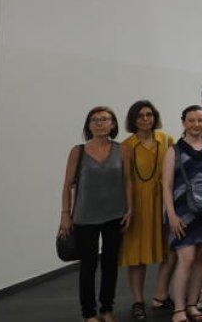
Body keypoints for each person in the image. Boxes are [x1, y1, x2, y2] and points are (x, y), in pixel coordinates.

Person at [61, 107, 133, 322]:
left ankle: (107, 309)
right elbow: (67, 185)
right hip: (84, 217)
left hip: (115, 215)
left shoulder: (122, 150)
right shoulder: (78, 151)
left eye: (105, 119)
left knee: (110, 264)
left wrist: (131, 209)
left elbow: (127, 181)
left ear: (113, 124)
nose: (100, 123)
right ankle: (89, 313)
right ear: (88, 125)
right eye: (95, 120)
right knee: (88, 266)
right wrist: (65, 215)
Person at [163, 105, 202, 322]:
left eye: (200, 120)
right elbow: (167, 185)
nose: (197, 124)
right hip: (182, 211)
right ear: (183, 123)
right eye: (192, 120)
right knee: (186, 258)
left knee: (200, 258)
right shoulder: (174, 151)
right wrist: (171, 215)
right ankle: (178, 309)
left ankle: (192, 305)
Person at [119, 101, 174, 320]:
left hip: (163, 202)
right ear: (133, 119)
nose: (145, 119)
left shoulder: (166, 139)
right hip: (138, 204)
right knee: (137, 256)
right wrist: (128, 208)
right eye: (140, 115)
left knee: (170, 252)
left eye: (149, 114)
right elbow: (125, 180)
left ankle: (161, 295)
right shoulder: (126, 145)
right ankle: (137, 301)